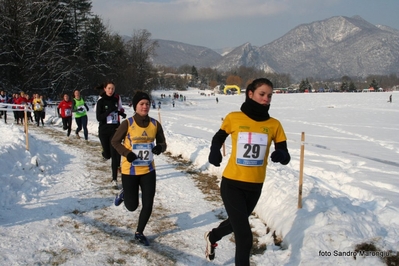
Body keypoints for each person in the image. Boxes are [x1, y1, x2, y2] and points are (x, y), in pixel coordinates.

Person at [204, 78, 291, 265]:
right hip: (232, 184)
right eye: (262, 94)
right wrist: (214, 152)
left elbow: (285, 153)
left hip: (255, 186)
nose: (266, 99)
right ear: (250, 94)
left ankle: (212, 237)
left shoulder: (274, 125)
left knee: (236, 222)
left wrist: (281, 155)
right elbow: (218, 138)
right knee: (244, 237)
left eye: (269, 96)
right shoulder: (234, 118)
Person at [111, 91, 167, 246]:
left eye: (147, 104)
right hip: (130, 170)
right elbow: (115, 142)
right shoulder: (127, 123)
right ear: (135, 106)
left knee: (148, 203)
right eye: (142, 104)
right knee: (132, 206)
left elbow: (163, 143)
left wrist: (159, 148)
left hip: (148, 170)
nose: (145, 107)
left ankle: (139, 232)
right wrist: (127, 154)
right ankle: (125, 193)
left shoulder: (155, 124)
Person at [96, 81, 125, 187]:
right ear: (105, 89)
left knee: (114, 154)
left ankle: (114, 179)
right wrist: (109, 111)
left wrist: (121, 113)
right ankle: (104, 153)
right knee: (107, 155)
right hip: (104, 130)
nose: (111, 90)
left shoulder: (116, 99)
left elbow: (117, 110)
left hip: (115, 129)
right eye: (109, 88)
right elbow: (99, 118)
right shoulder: (101, 101)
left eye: (112, 88)